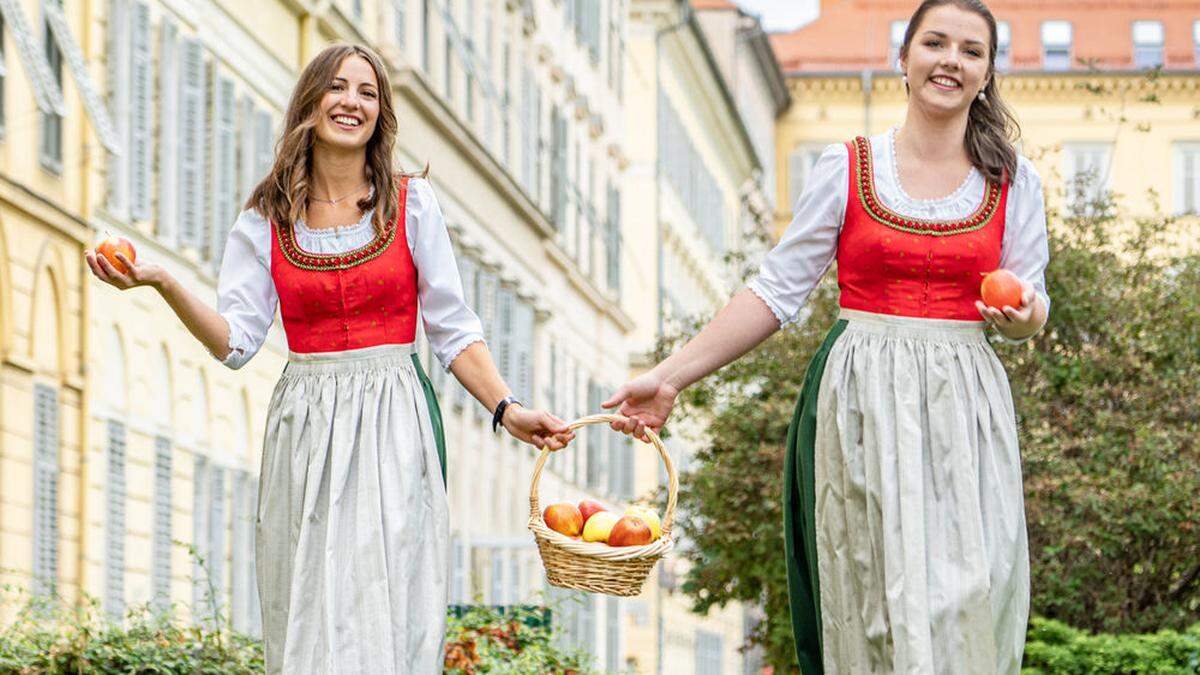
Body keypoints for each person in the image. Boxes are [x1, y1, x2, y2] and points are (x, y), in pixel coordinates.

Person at [85, 43, 574, 674]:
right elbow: (236, 342)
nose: (352, 102)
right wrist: (163, 281)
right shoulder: (266, 218)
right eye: (338, 88)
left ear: (381, 112)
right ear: (311, 102)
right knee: (308, 602)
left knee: (385, 597)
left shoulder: (411, 204)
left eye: (367, 92)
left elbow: (454, 331)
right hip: (307, 422)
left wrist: (508, 409)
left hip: (393, 416)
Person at [603, 1, 1048, 672]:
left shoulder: (1014, 180)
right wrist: (670, 374)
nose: (950, 60)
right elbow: (775, 290)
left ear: (987, 72)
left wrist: (1024, 317)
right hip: (862, 402)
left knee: (969, 595)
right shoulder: (848, 169)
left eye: (970, 50)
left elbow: (1032, 297)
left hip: (964, 406)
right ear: (905, 58)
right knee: (871, 604)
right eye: (935, 43)